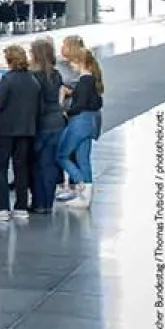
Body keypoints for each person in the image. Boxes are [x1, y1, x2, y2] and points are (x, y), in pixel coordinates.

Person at [0, 44, 41, 222]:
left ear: (9, 60)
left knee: (1, 168)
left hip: (5, 130)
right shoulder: (33, 80)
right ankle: (21, 206)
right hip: (26, 130)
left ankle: (2, 207)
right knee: (21, 168)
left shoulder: (7, 79)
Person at [56, 48, 105, 209]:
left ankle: (80, 182)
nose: (70, 65)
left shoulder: (84, 81)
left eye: (71, 62)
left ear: (79, 62)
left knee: (62, 155)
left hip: (79, 122)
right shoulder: (93, 80)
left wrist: (65, 111)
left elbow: (80, 105)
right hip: (91, 122)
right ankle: (86, 196)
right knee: (83, 158)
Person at [29, 38, 65, 214]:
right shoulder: (56, 74)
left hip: (42, 123)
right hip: (57, 120)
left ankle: (38, 202)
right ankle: (47, 202)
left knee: (37, 164)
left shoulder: (34, 76)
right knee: (50, 164)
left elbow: (36, 104)